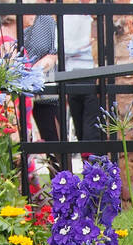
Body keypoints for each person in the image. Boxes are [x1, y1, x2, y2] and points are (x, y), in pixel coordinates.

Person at [25, 1, 101, 167]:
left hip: (74, 78)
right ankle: (78, 173)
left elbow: (59, 49)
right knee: (78, 130)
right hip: (64, 78)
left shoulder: (52, 19)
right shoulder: (54, 17)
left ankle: (86, 172)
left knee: (85, 131)